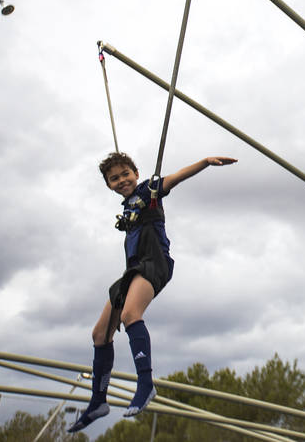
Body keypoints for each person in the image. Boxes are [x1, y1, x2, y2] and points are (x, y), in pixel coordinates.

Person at [68, 152, 237, 432]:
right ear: (108, 185)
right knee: (100, 334)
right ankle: (98, 400)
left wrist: (205, 163)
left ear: (136, 173)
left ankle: (145, 384)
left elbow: (174, 178)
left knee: (131, 314)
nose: (122, 181)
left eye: (126, 174)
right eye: (114, 178)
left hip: (154, 262)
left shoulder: (149, 191)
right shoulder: (127, 206)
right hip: (133, 269)